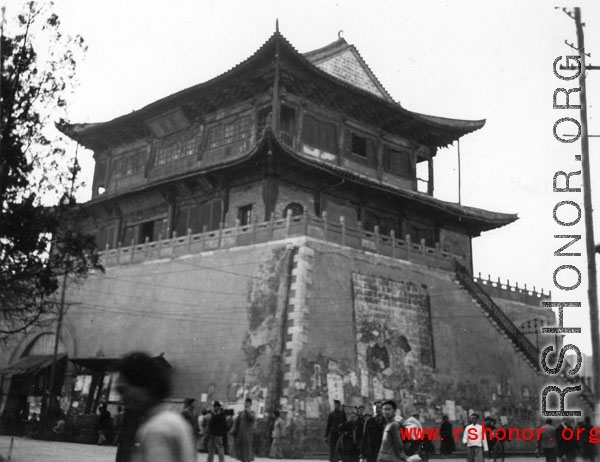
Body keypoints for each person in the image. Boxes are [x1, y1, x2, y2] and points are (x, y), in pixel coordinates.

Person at [116, 351, 196, 462]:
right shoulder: (173, 421)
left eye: (123, 390)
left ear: (143, 388)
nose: (123, 398)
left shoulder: (157, 429)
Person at [232, 397, 256, 462]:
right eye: (245, 402)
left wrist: (247, 411)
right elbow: (237, 423)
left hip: (248, 436)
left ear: (251, 404)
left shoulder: (252, 412)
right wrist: (234, 431)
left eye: (248, 403)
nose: (246, 404)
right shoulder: (241, 413)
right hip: (241, 435)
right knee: (241, 452)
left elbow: (253, 419)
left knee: (247, 452)